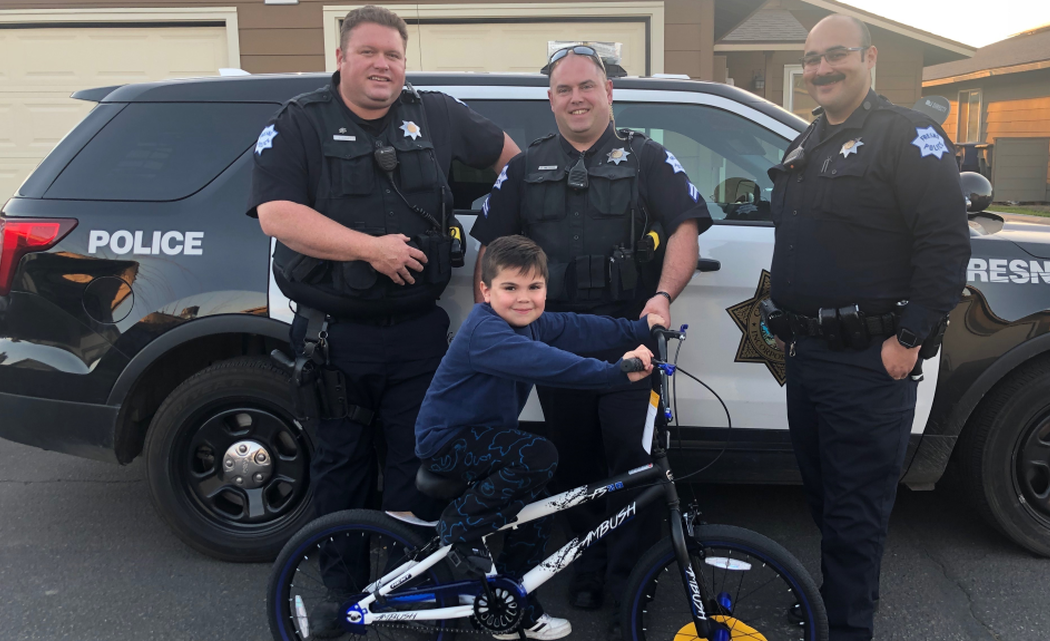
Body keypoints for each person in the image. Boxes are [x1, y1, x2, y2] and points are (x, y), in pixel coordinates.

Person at [247, 6, 519, 542]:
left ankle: (407, 591)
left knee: (417, 465)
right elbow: (276, 215)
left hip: (418, 331)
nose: (382, 64)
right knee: (340, 466)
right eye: (368, 52)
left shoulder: (437, 113)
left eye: (393, 54)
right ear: (341, 56)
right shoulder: (301, 120)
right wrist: (370, 249)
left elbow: (514, 164)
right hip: (335, 335)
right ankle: (342, 597)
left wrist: (495, 240)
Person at [469, 45, 711, 632]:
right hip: (555, 341)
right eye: (563, 90)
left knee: (631, 457)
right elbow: (491, 252)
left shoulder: (647, 157)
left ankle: (631, 580)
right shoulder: (526, 167)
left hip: (630, 336)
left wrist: (662, 296)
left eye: (586, 86)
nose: (575, 98)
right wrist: (495, 317)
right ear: (550, 100)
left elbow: (684, 228)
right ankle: (587, 563)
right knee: (573, 460)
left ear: (608, 92)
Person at [764, 15, 971, 641]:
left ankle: (848, 628)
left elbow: (944, 245)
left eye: (835, 56)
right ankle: (834, 607)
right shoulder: (808, 140)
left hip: (869, 359)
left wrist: (907, 339)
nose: (821, 69)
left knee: (856, 511)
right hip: (808, 356)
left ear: (870, 56)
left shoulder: (909, 137)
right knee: (826, 500)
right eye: (812, 60)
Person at [415, 235, 661, 640]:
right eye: (510, 288)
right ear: (485, 290)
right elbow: (551, 365)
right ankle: (459, 525)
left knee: (537, 513)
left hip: (488, 440)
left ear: (547, 288)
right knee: (542, 453)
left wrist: (638, 328)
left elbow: (579, 328)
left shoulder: (533, 322)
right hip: (449, 442)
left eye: (535, 287)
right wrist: (614, 372)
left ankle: (513, 605)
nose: (524, 298)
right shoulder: (486, 331)